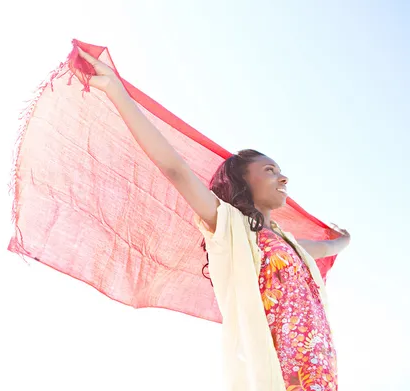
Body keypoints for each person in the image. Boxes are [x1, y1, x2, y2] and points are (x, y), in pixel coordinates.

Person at [72, 47, 351, 391]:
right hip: (277, 374)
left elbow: (319, 251)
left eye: (281, 171)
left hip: (319, 372)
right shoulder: (230, 228)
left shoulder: (286, 242)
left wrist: (344, 240)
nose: (283, 178)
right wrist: (117, 91)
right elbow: (174, 169)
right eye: (269, 170)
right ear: (244, 182)